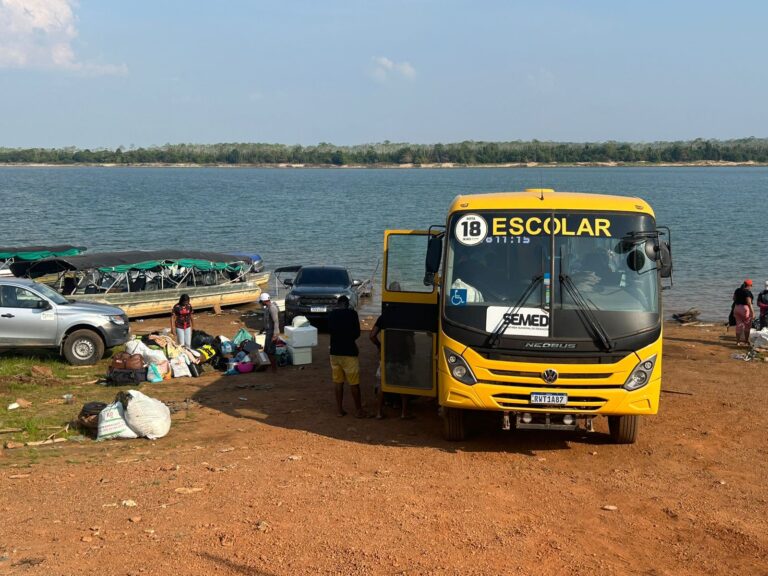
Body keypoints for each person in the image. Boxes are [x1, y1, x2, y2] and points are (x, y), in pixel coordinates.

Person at [328, 295, 366, 418]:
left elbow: (329, 330)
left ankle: (339, 410)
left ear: (338, 304)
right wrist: (349, 339)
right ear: (347, 304)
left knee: (338, 382)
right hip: (349, 352)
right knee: (354, 383)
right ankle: (358, 410)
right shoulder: (352, 314)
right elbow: (357, 333)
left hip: (334, 352)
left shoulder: (332, 314)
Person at [370, 313, 413, 419]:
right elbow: (410, 341)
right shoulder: (407, 318)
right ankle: (404, 413)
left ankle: (379, 412)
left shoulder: (384, 317)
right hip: (402, 357)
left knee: (382, 384)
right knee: (404, 385)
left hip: (386, 356)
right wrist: (412, 353)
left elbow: (372, 335)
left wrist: (380, 346)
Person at [259, 292, 280, 372]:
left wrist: (275, 335)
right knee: (266, 350)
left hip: (272, 333)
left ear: (264, 301)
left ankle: (274, 369)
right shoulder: (267, 308)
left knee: (271, 351)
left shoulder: (272, 308)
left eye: (261, 301)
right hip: (268, 332)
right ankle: (267, 366)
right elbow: (268, 321)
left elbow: (276, 322)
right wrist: (263, 329)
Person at [732, 279, 754, 346]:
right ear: (749, 285)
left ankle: (737, 342)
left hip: (736, 308)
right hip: (745, 309)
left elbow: (734, 299)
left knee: (738, 325)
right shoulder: (747, 292)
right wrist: (752, 312)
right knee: (747, 326)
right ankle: (746, 341)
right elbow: (749, 303)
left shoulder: (737, 290)